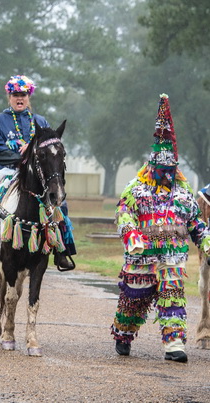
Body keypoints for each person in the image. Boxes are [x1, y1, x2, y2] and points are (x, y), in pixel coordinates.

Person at [111, 94, 210, 363]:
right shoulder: (137, 188)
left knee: (173, 300)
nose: (166, 174)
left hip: (172, 260)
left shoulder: (183, 194)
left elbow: (195, 223)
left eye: (170, 169)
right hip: (141, 258)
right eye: (161, 169)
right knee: (133, 304)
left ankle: (174, 344)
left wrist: (206, 243)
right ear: (151, 166)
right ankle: (123, 334)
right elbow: (124, 213)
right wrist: (131, 234)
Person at [0, 75, 76, 272]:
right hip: (6, 172)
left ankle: (62, 251)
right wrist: (20, 157)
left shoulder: (40, 121)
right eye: (15, 94)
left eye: (23, 94)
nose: (19, 98)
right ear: (9, 97)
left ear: (28, 96)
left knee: (61, 205)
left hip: (35, 175)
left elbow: (49, 147)